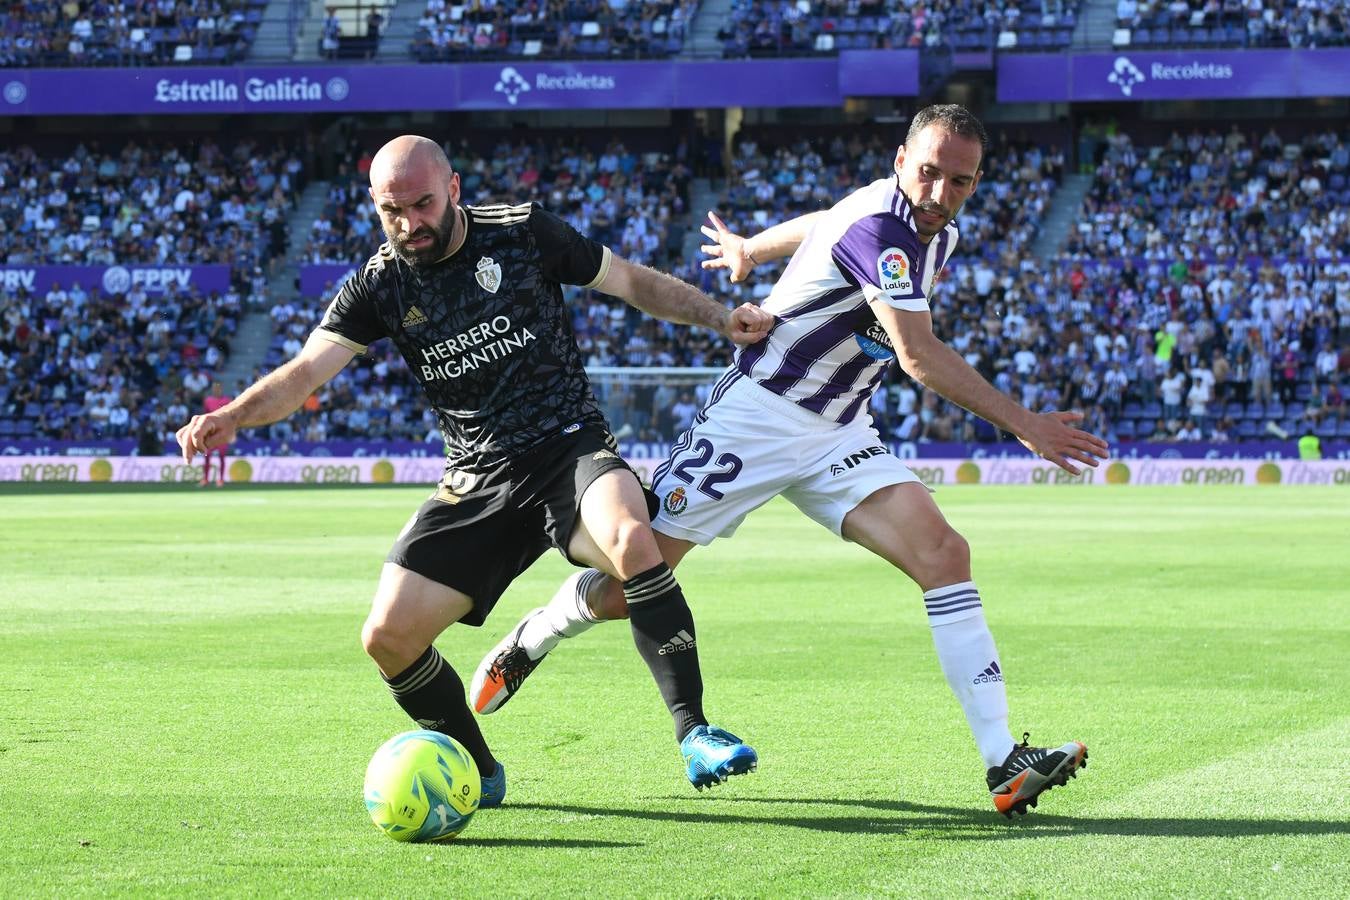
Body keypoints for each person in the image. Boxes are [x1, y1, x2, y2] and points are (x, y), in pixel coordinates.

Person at [471, 105, 1109, 818]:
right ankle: (539, 631)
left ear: (976, 181)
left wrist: (753, 248)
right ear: (901, 161)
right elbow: (916, 355)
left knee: (944, 553)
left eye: (958, 181)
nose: (939, 193)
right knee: (631, 582)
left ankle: (1002, 761)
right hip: (758, 418)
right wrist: (1024, 424)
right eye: (927, 173)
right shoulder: (884, 229)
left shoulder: (933, 228)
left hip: (839, 430)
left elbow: (821, 220)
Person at [176, 136, 774, 812]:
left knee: (634, 543)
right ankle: (480, 771)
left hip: (566, 448)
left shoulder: (523, 233)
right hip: (475, 476)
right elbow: (308, 371)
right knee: (387, 638)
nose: (409, 224)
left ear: (453, 188)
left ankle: (694, 730)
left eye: (421, 204)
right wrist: (233, 415)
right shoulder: (381, 282)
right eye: (390, 211)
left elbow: (633, 282)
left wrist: (721, 318)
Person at [200, 382, 231, 487]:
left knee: (222, 456)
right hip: (211, 434)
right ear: (212, 389)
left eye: (218, 388)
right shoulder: (208, 401)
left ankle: (221, 479)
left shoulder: (227, 401)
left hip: (222, 433)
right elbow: (205, 416)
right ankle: (205, 479)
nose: (216, 390)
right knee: (207, 455)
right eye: (214, 388)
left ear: (221, 389)